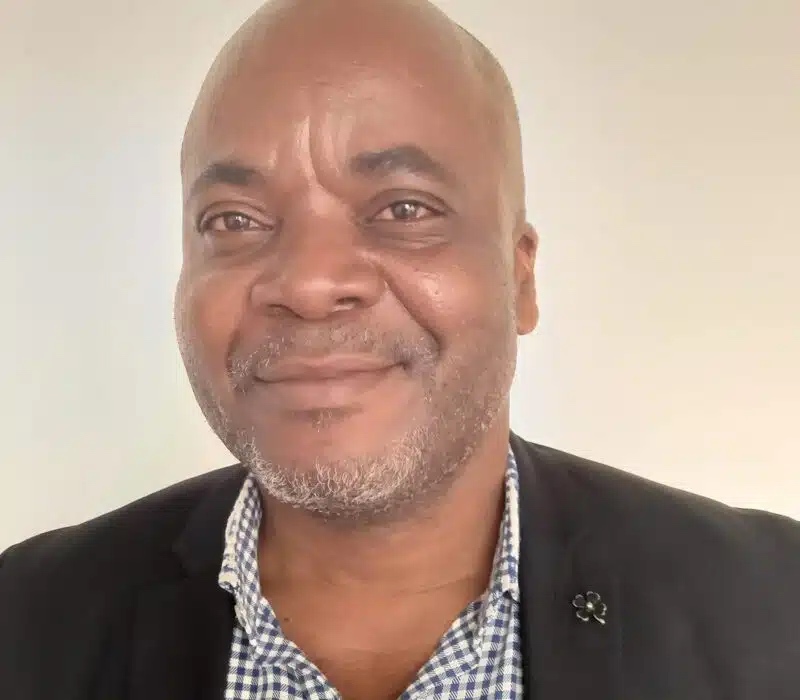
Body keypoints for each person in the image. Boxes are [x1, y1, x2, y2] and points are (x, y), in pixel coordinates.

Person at [1, 0, 798, 698]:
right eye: (234, 220)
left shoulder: (774, 607)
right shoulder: (25, 624)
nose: (310, 283)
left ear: (520, 278)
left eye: (404, 209)